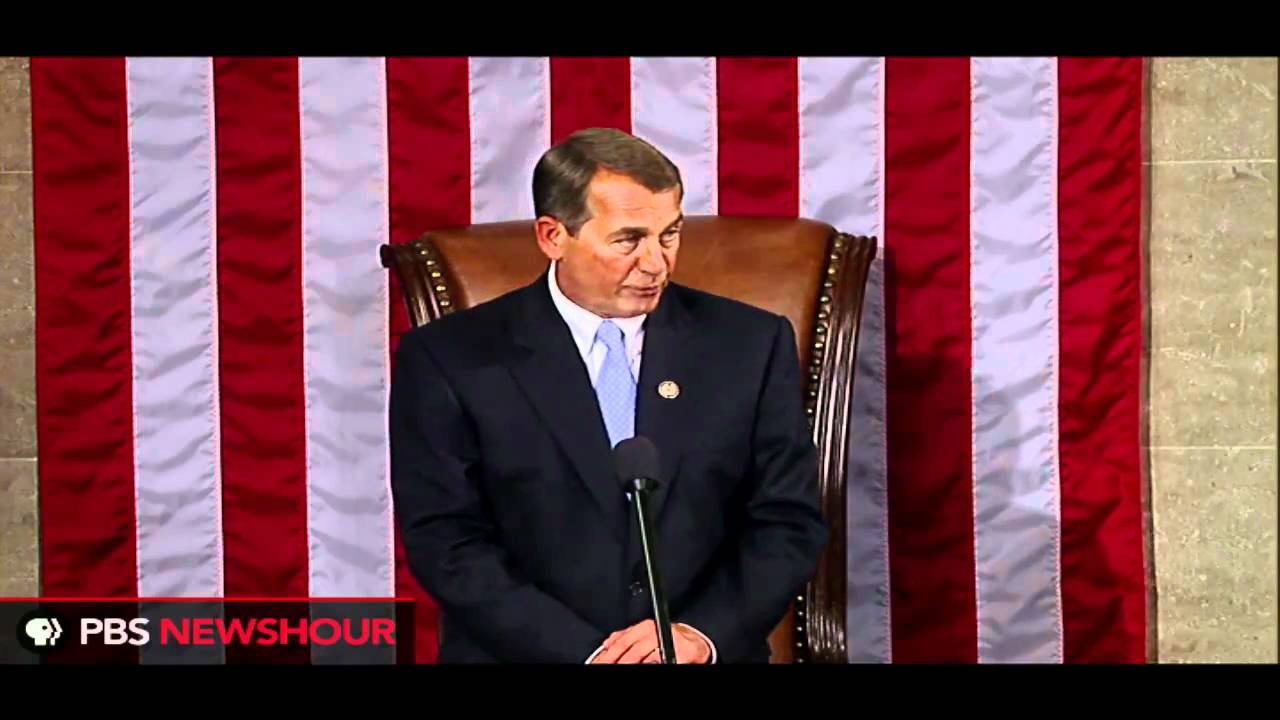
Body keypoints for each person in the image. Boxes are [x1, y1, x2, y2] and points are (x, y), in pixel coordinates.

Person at [389, 127, 827, 664]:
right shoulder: (451, 359)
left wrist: (698, 635)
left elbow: (787, 521)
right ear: (553, 236)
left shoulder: (750, 345)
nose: (656, 263)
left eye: (670, 234)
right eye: (628, 239)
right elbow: (447, 542)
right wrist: (592, 656)